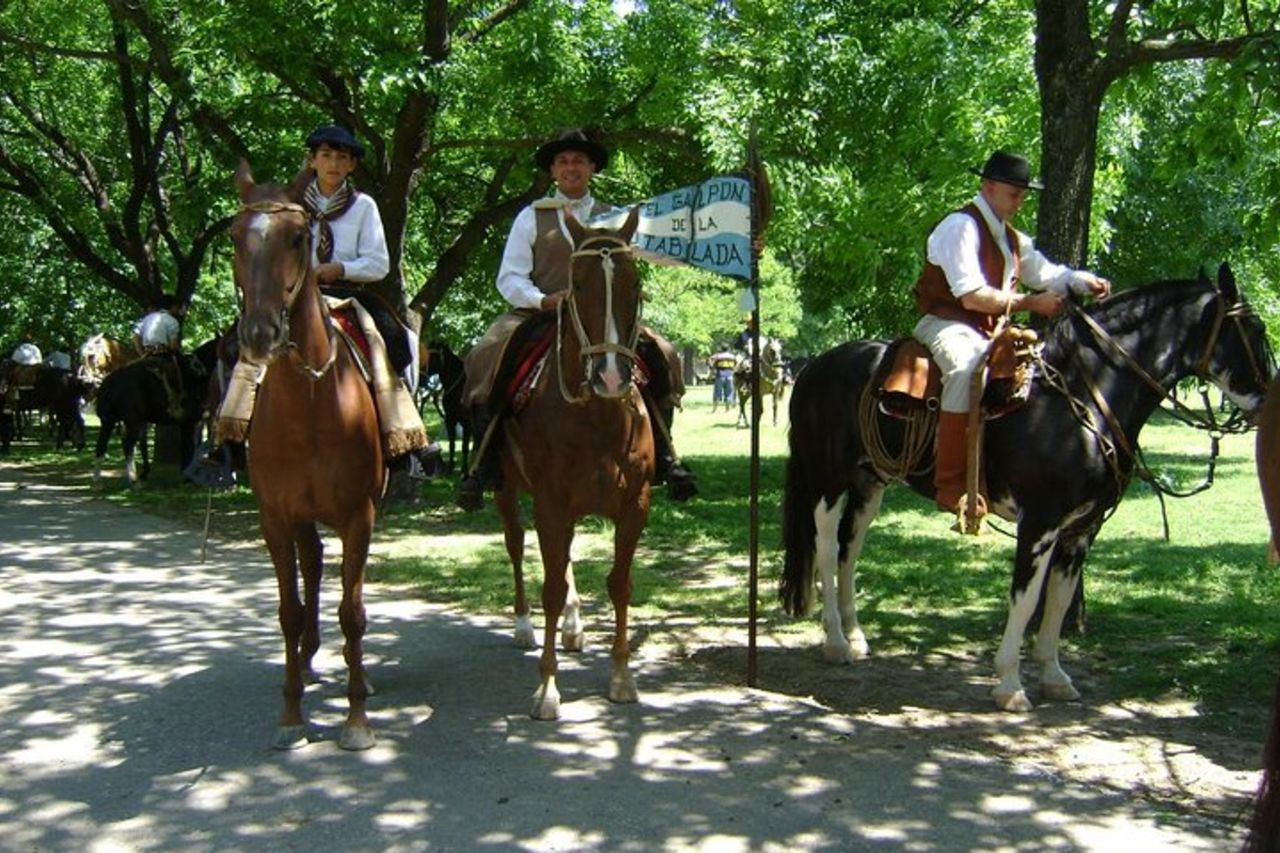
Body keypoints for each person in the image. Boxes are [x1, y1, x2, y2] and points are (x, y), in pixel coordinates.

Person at [456, 127, 697, 511]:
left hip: (602, 321)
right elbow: (510, 277)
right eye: (563, 161)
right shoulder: (530, 218)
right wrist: (541, 299)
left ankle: (666, 457)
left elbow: (661, 252)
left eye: (579, 161)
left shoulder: (615, 217)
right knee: (487, 353)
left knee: (663, 353)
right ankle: (486, 462)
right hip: (543, 312)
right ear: (552, 170)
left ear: (592, 168)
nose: (571, 168)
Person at [212, 125, 440, 476]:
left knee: (398, 340)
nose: (333, 163)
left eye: (342, 158)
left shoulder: (363, 206)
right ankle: (228, 438)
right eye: (326, 156)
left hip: (347, 294)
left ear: (351, 166)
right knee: (235, 346)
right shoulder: (290, 203)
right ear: (313, 160)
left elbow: (379, 262)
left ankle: (404, 437)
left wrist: (339, 267)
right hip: (292, 297)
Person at [913, 150, 1111, 518]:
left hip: (986, 330)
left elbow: (1048, 274)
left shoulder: (1011, 238)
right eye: (1013, 193)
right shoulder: (961, 227)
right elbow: (971, 297)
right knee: (965, 368)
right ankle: (953, 484)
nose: (1019, 202)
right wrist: (1030, 304)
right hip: (947, 322)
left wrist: (1083, 282)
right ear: (988, 187)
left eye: (1022, 194)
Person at [133, 296, 186, 420]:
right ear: (172, 307)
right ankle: (176, 403)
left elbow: (135, 338)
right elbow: (173, 346)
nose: (178, 311)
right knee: (178, 373)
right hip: (163, 356)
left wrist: (141, 353)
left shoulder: (145, 319)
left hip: (146, 355)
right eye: (177, 308)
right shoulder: (172, 321)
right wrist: (178, 351)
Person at [708, 345, 738, 412]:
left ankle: (714, 409)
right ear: (728, 349)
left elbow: (712, 365)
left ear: (721, 349)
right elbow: (736, 365)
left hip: (720, 376)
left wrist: (712, 372)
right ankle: (727, 409)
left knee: (717, 392)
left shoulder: (718, 356)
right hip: (730, 376)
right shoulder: (733, 357)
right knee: (729, 393)